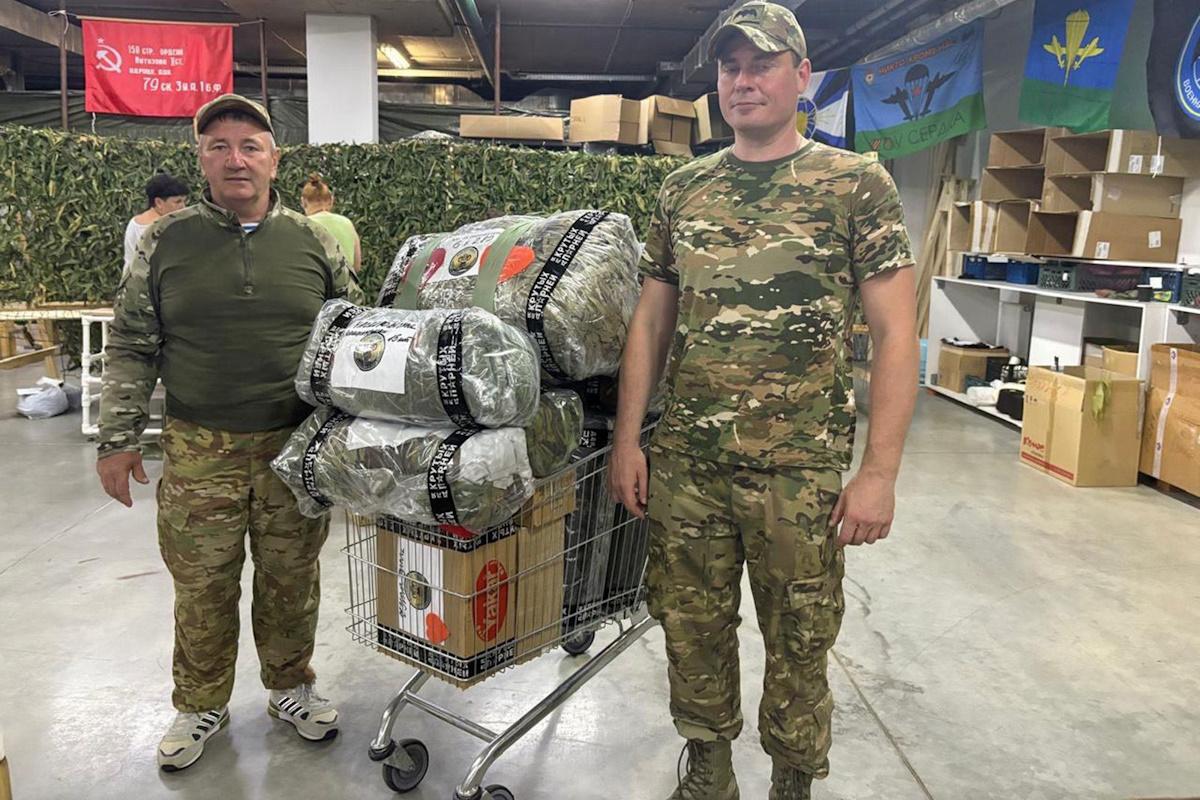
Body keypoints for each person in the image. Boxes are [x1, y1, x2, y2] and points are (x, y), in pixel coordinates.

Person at [609, 4, 919, 799]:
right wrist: (628, 440)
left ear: (801, 76)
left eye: (763, 64)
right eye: (730, 67)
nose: (742, 81)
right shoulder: (684, 190)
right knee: (692, 630)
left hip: (800, 474)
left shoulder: (856, 185)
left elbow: (895, 335)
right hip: (689, 469)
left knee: (801, 641)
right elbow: (650, 320)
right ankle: (708, 774)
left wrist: (879, 472)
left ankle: (791, 782)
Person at [95, 93, 362, 773]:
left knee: (290, 580)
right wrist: (118, 437)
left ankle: (291, 689)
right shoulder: (165, 241)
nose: (234, 158)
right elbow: (130, 341)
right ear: (201, 161)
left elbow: (354, 339)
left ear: (274, 160)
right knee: (203, 584)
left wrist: (361, 438)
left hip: (293, 450)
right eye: (218, 146)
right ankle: (200, 703)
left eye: (250, 145)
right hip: (197, 448)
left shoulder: (315, 241)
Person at [123, 172, 189, 276]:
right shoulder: (166, 228)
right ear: (159, 202)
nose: (183, 207)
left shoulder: (133, 223)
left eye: (184, 201)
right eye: (178, 202)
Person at [300, 172, 362, 273]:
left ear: (303, 202)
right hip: (346, 285)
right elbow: (357, 266)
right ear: (331, 200)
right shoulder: (347, 223)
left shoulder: (302, 225)